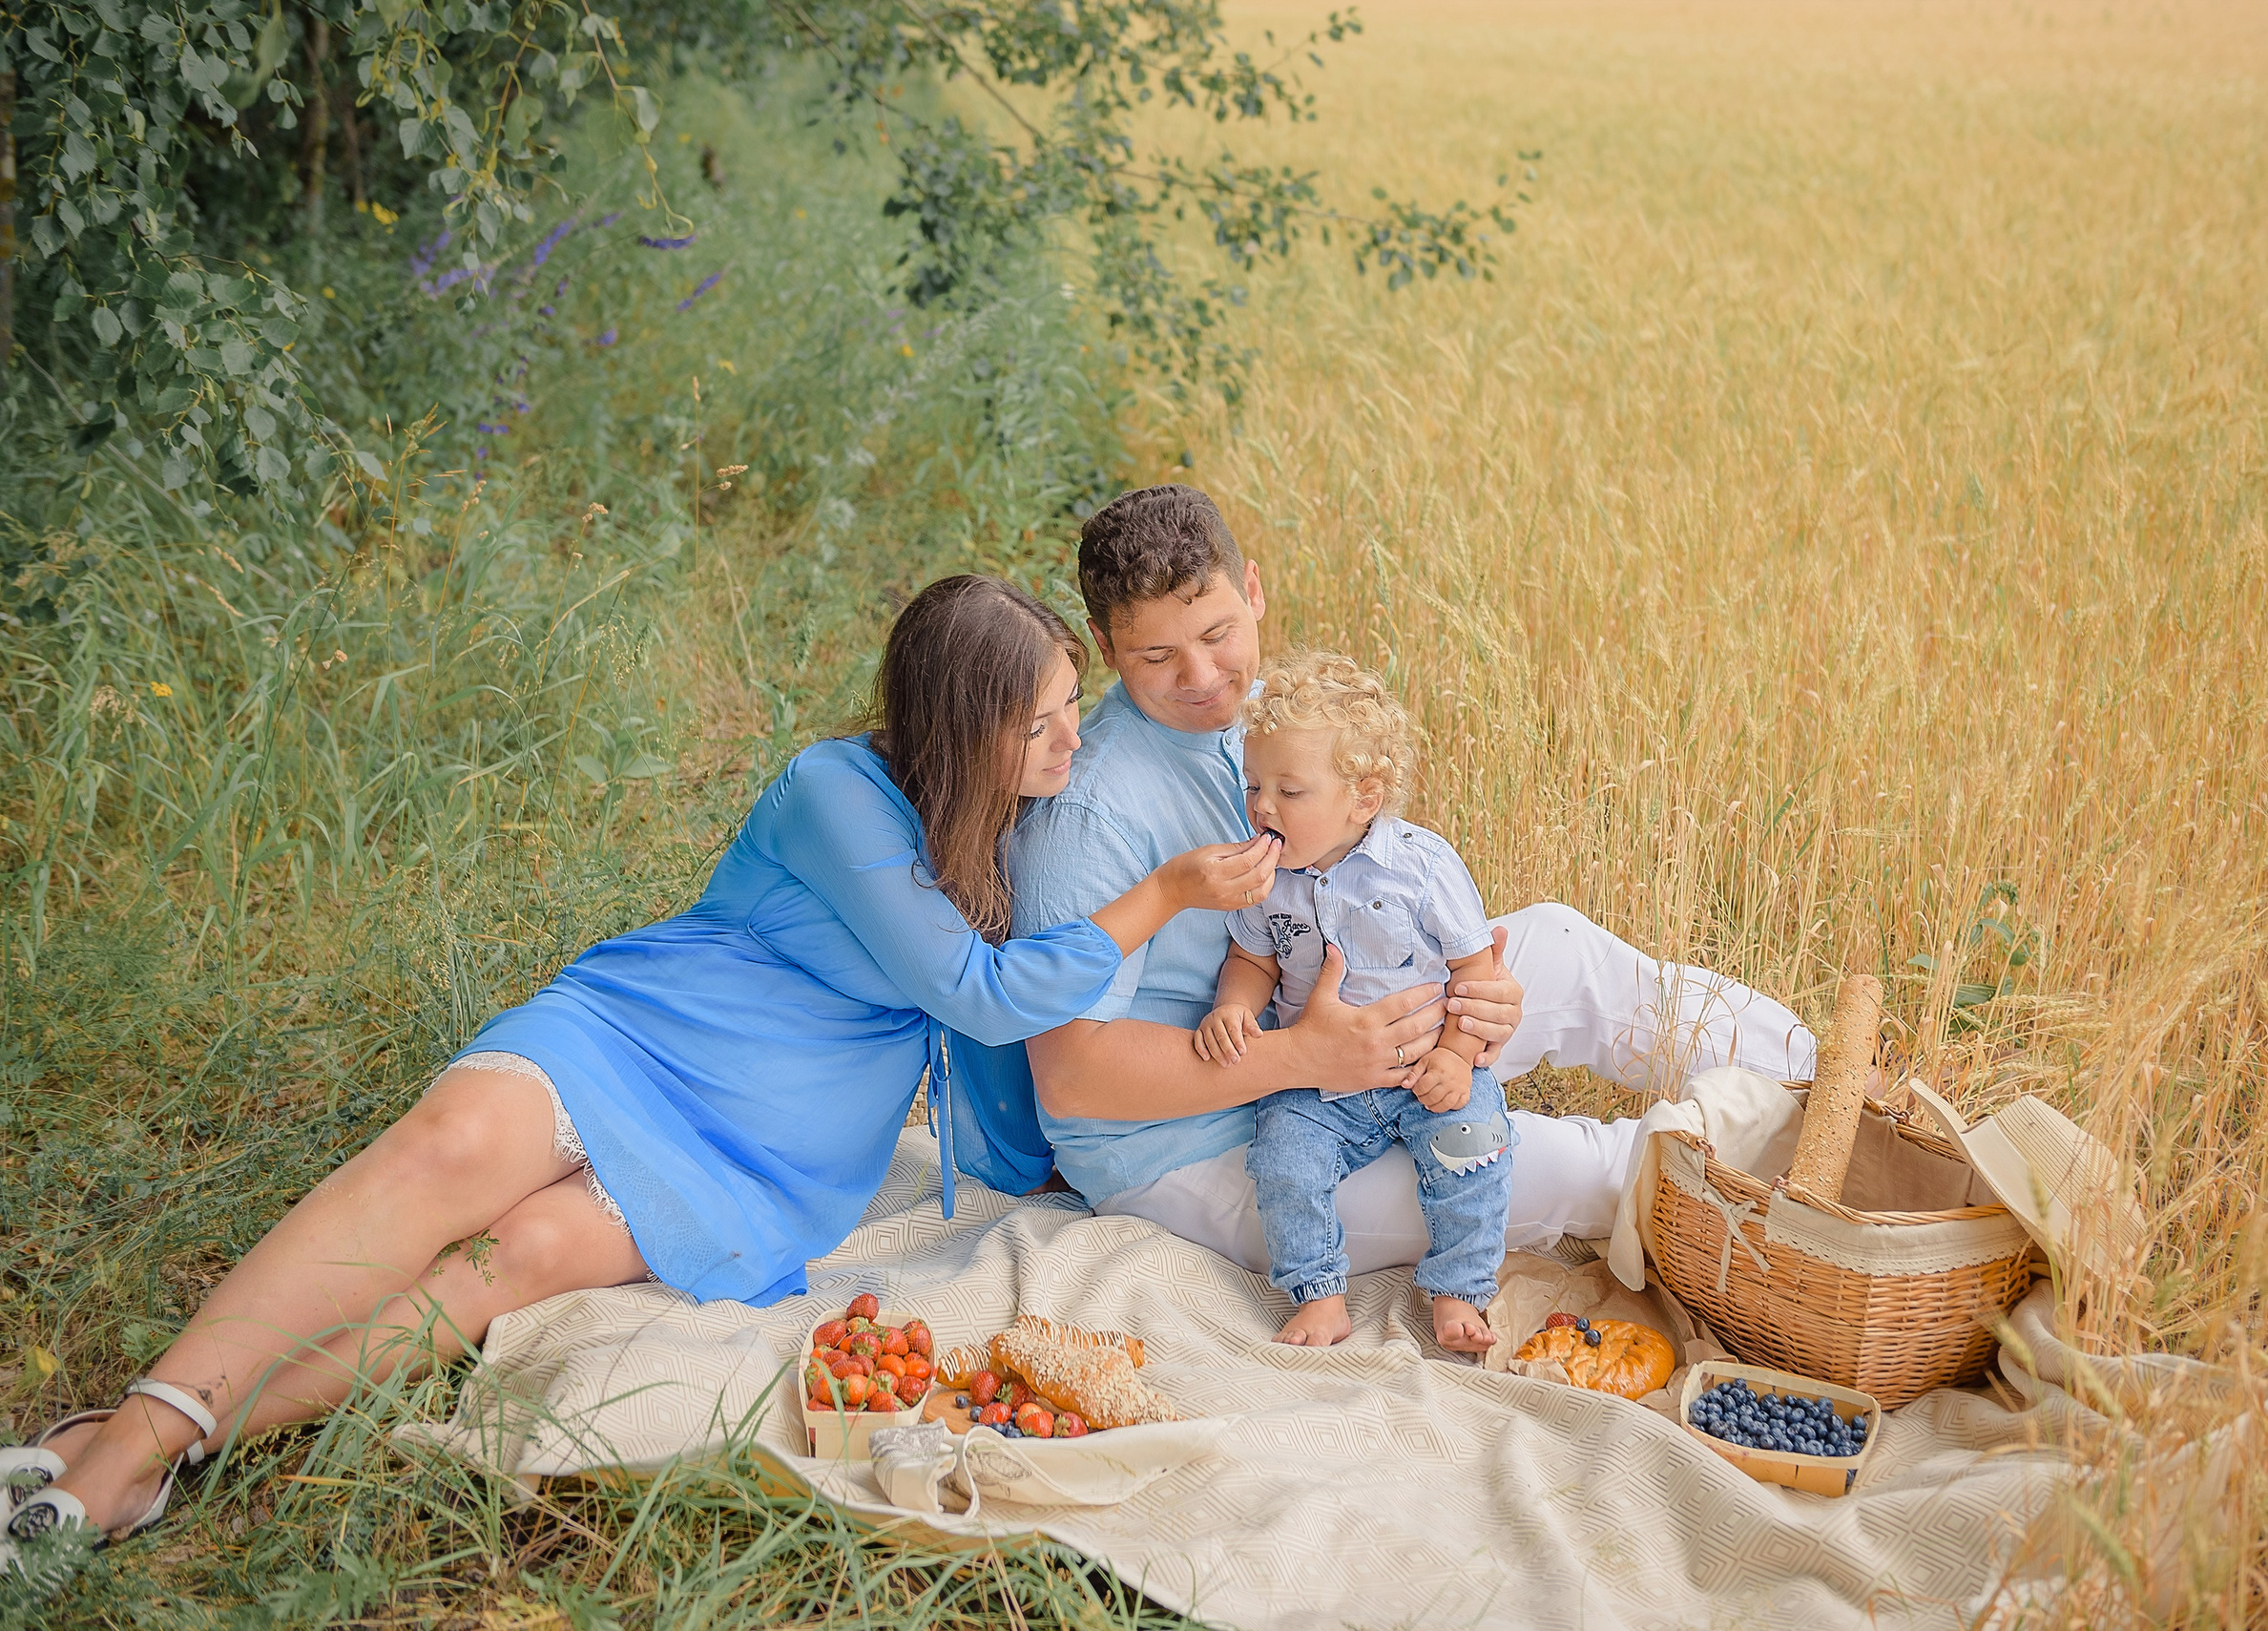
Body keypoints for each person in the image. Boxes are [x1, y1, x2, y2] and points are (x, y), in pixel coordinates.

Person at [0, 575, 1278, 1578]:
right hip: (643, 1034)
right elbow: (976, 992)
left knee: (521, 1259)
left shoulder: (1015, 823)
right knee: (443, 1152)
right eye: (1038, 719)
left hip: (774, 1148)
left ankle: (166, 1445)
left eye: (1068, 709)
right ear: (955, 723)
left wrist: (1045, 1166)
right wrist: (1159, 893)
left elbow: (1004, 1040)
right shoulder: (839, 792)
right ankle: (132, 1445)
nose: (1067, 741)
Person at [1007, 486, 1819, 1288]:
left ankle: (1835, 1093)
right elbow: (1073, 1076)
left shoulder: (1267, 720)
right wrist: (1303, 1055)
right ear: (1107, 649)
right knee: (1565, 1166)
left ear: (1252, 590)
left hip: (1334, 1029)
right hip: (1198, 1146)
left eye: (1219, 634)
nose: (1203, 676)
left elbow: (1375, 877)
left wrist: (1476, 995)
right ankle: (1808, 1219)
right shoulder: (1088, 815)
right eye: (1157, 657)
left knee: (1558, 944)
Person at [1197, 652, 1516, 1352]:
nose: (1262, 806)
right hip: (1316, 1085)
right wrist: (1234, 1006)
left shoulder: (1423, 866)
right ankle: (1319, 1292)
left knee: (1479, 1143)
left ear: (1363, 798)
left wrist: (1460, 1057)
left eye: (1289, 790)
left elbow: (1475, 971)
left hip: (1422, 1066)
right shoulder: (1265, 874)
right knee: (1281, 1157)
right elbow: (1252, 956)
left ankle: (1460, 1285)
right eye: (1253, 785)